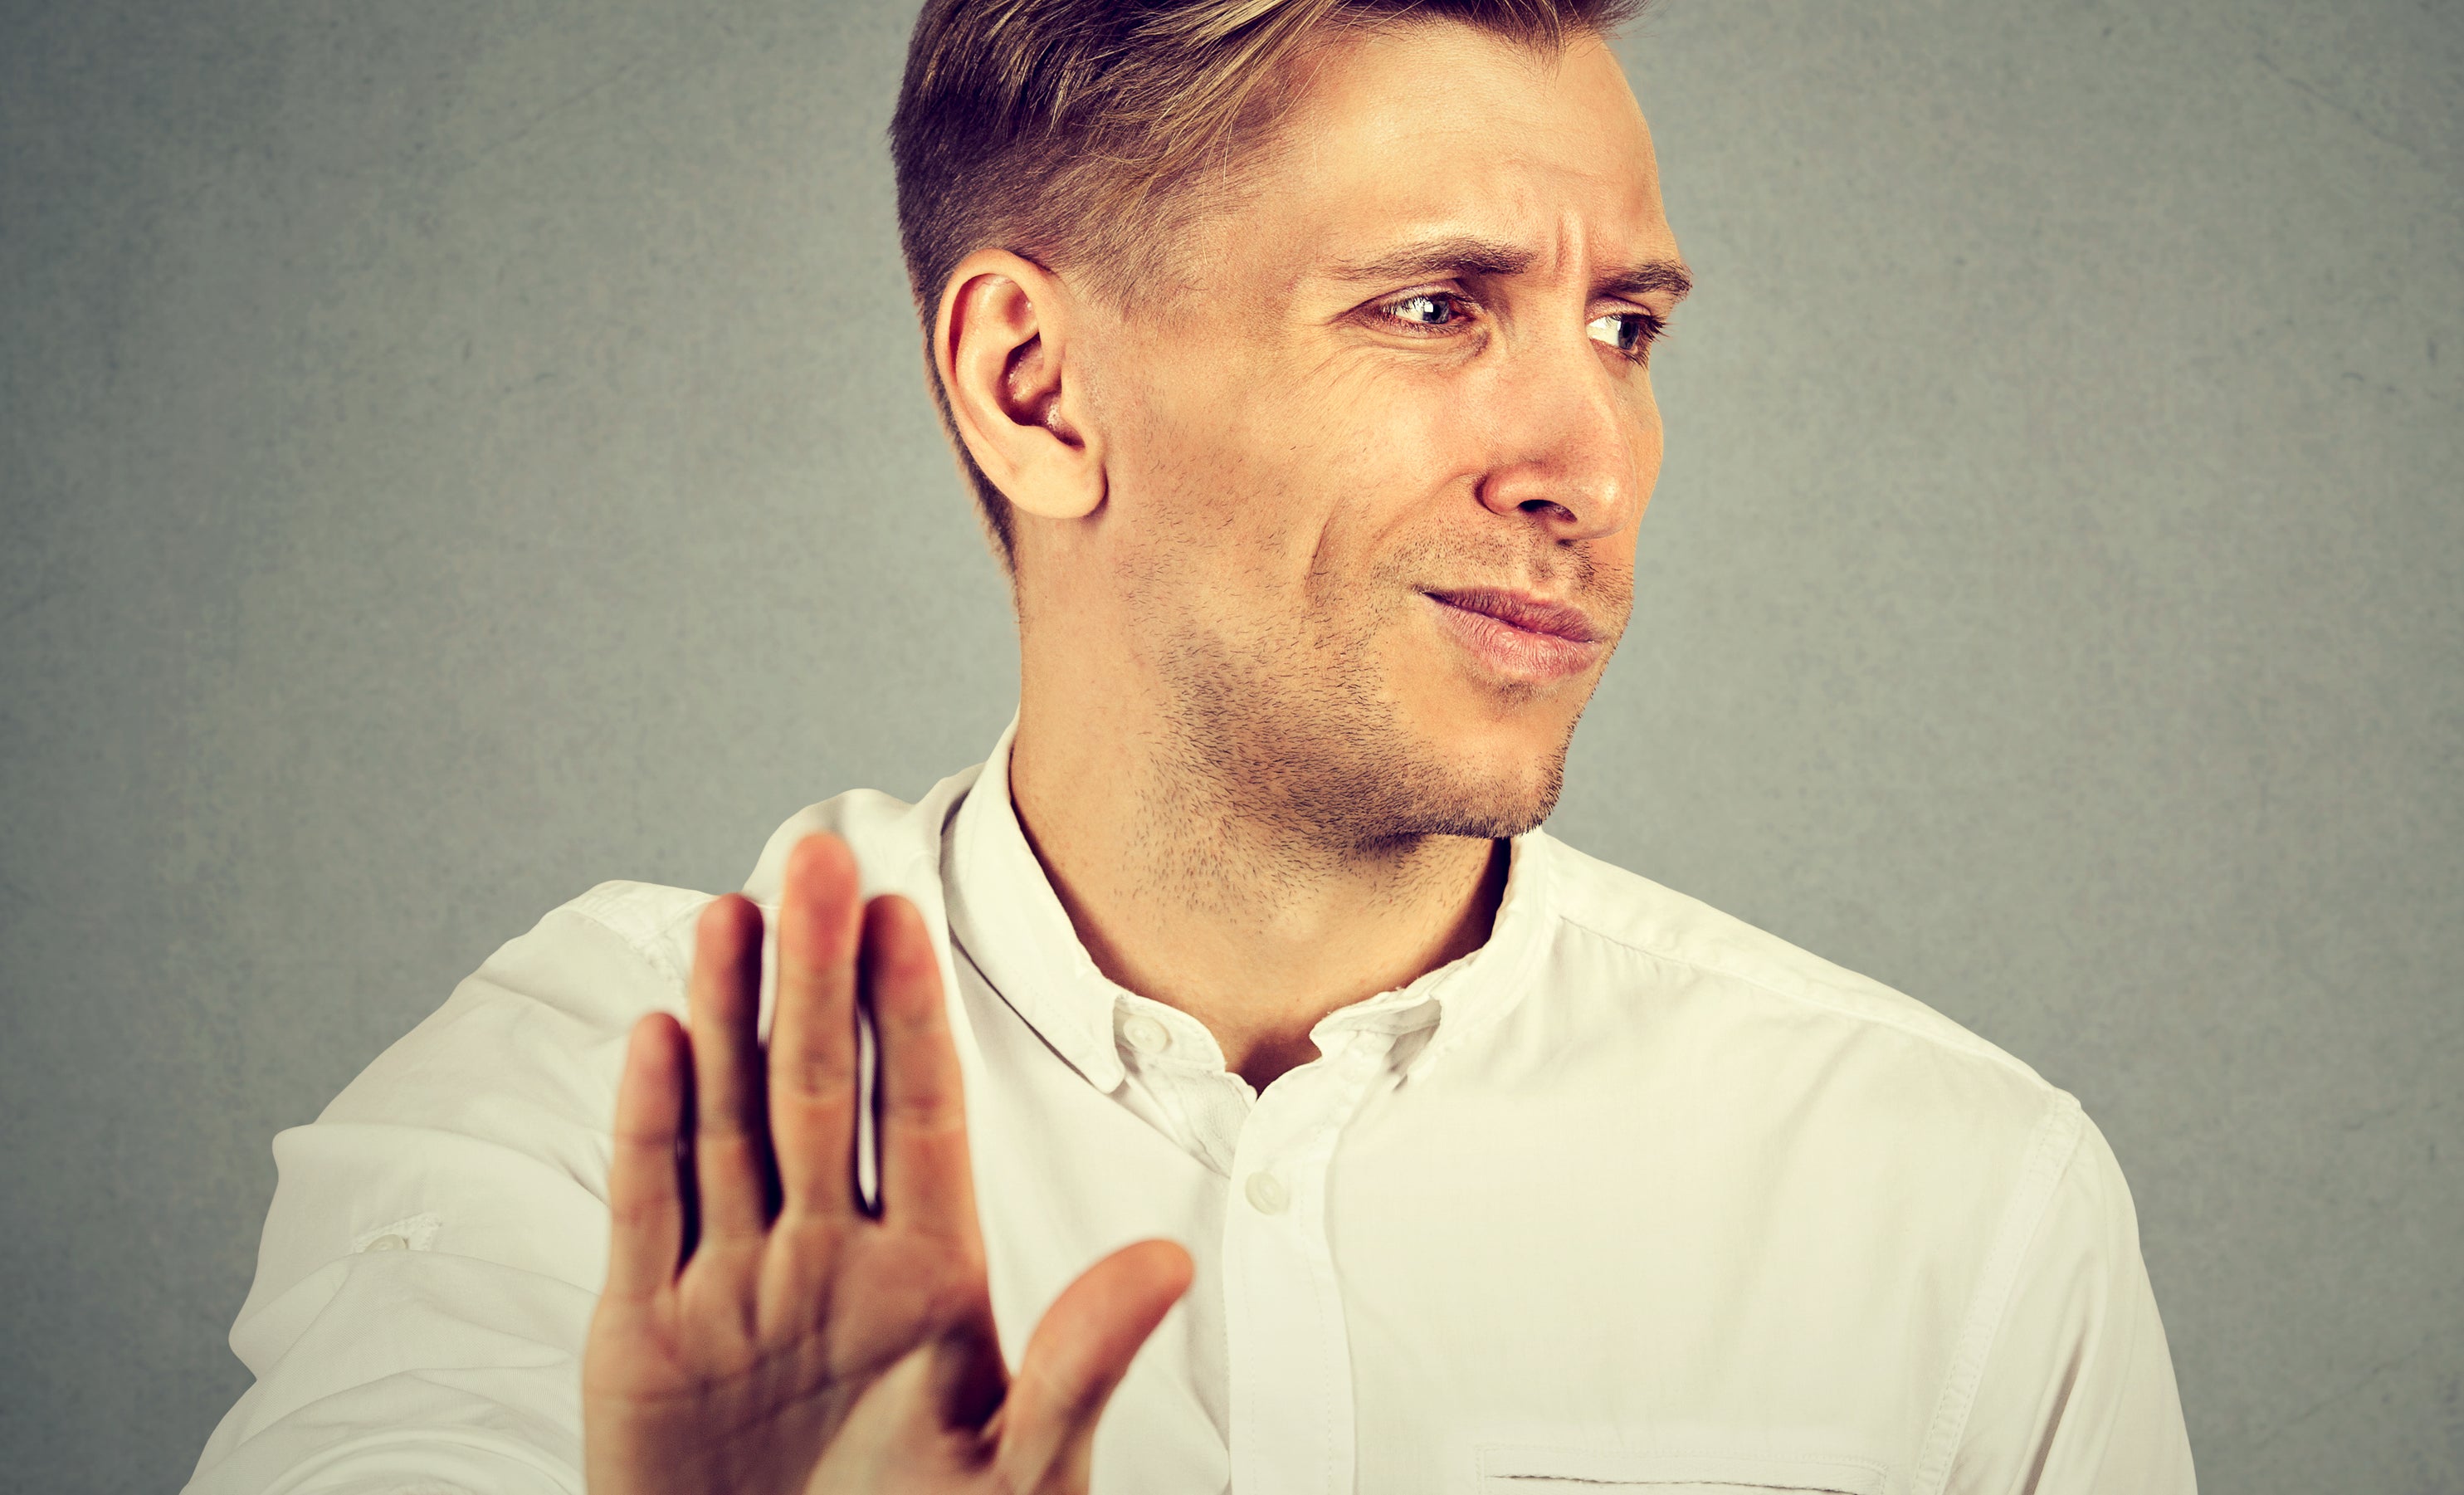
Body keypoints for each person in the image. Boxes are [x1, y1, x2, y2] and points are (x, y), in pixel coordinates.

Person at [184, 1, 2198, 1492]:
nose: (1590, 458)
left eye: (1629, 330)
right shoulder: (602, 1124)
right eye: (1430, 308)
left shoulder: (1956, 1199)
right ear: (1036, 386)